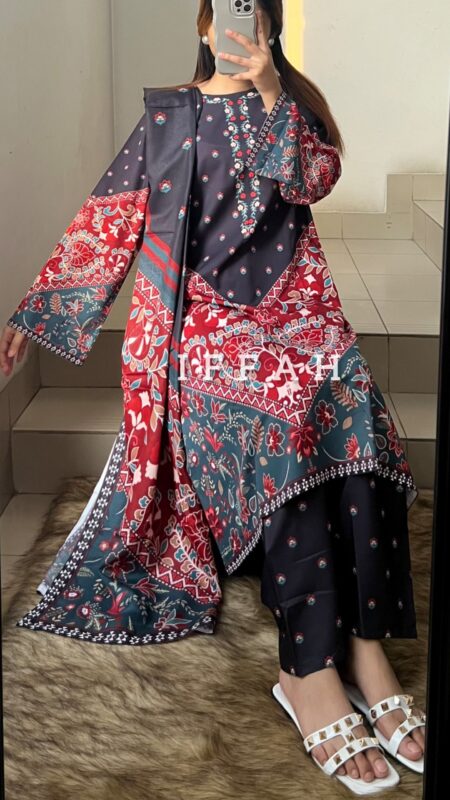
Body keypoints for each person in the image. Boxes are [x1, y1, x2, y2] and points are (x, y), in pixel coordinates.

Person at [0, 1, 426, 793]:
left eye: (252, 16)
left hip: (297, 316)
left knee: (352, 403)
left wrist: (270, 92)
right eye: (224, 13)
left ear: (269, 31)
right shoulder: (169, 117)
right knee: (285, 421)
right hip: (205, 325)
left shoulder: (291, 110)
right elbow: (108, 219)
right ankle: (308, 670)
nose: (236, 30)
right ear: (203, 28)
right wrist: (36, 310)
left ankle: (368, 648)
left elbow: (312, 179)